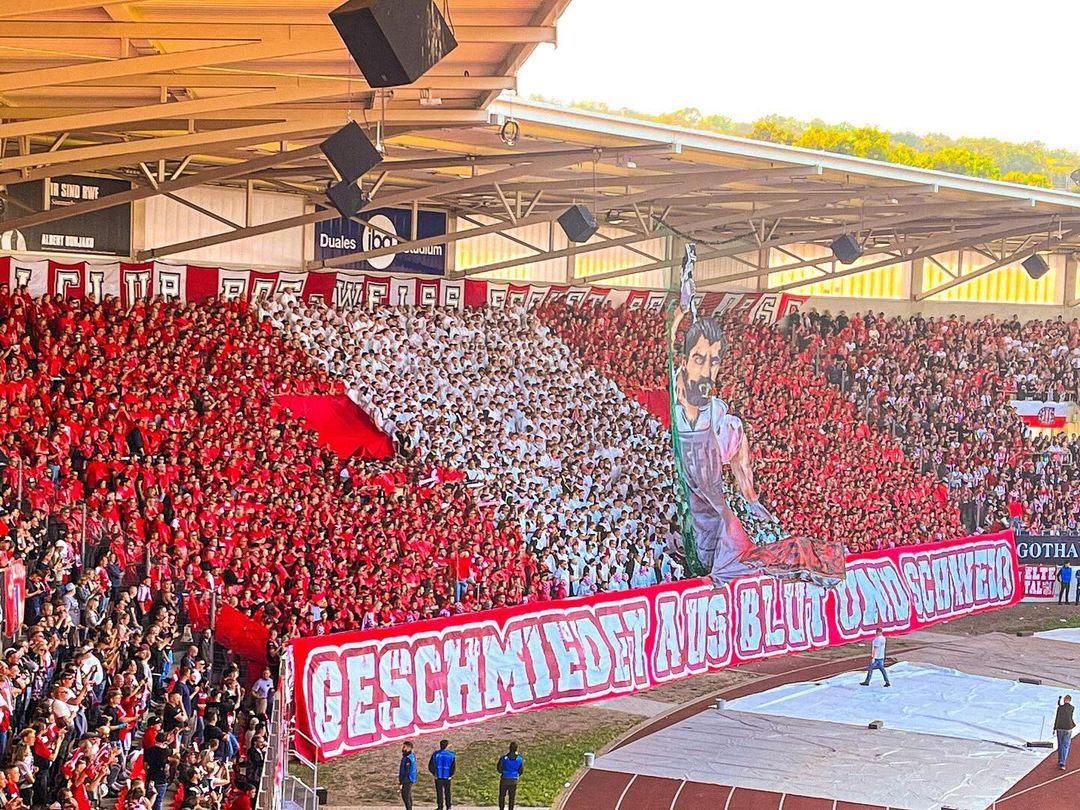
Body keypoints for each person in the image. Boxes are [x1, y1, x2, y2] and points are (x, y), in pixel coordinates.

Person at [427, 739, 455, 810]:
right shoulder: (451, 755)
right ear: (447, 746)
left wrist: (434, 773)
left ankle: (440, 806)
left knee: (439, 792)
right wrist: (450, 775)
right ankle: (448, 806)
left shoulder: (435, 754)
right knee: (448, 792)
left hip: (438, 776)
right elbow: (453, 766)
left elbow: (430, 765)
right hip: (447, 776)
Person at [496, 742, 524, 810]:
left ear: (509, 748)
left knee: (502, 795)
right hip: (514, 780)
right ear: (516, 749)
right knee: (512, 797)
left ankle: (501, 808)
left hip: (505, 779)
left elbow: (499, 768)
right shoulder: (519, 759)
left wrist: (504, 772)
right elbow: (521, 771)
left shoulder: (504, 758)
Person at [1056, 695, 1076, 770]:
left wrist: (1055, 727)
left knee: (1060, 744)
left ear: (1064, 700)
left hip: (1060, 728)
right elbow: (1066, 709)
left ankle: (1060, 759)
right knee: (1065, 745)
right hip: (1068, 728)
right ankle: (1062, 761)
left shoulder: (1060, 708)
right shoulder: (1072, 708)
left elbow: (1058, 717)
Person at [397, 741, 416, 810]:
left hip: (407, 779)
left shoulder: (408, 758)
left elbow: (407, 772)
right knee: (408, 796)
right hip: (409, 778)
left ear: (409, 748)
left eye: (404, 747)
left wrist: (401, 782)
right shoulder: (410, 756)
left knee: (405, 797)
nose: (402, 748)